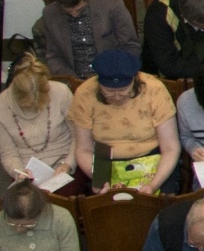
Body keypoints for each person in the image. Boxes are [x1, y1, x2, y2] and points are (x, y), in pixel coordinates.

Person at [71, 45, 180, 191]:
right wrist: (99, 180)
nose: (117, 96)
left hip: (151, 156)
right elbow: (84, 149)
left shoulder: (154, 89)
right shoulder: (85, 93)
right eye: (109, 91)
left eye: (123, 90)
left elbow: (170, 147)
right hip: (104, 161)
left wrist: (153, 185)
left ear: (134, 80)